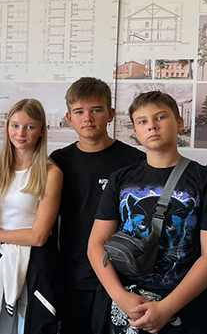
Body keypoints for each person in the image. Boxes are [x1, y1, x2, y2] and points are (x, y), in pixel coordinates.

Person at [88, 91, 207, 334]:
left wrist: (166, 308)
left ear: (180, 123)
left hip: (184, 307)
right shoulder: (121, 179)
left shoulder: (206, 180)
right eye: (142, 121)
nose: (152, 125)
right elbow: (96, 243)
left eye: (160, 117)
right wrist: (120, 296)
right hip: (126, 303)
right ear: (135, 131)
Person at [50, 78, 144, 334]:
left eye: (96, 110)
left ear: (110, 114)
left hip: (124, 277)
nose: (88, 118)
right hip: (74, 274)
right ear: (69, 118)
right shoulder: (58, 162)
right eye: (79, 111)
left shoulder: (135, 161)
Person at [0, 99, 63, 334]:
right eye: (15, 126)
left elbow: (38, 236)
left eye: (29, 127)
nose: (21, 133)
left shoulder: (51, 173)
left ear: (41, 130)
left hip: (35, 263)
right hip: (0, 261)